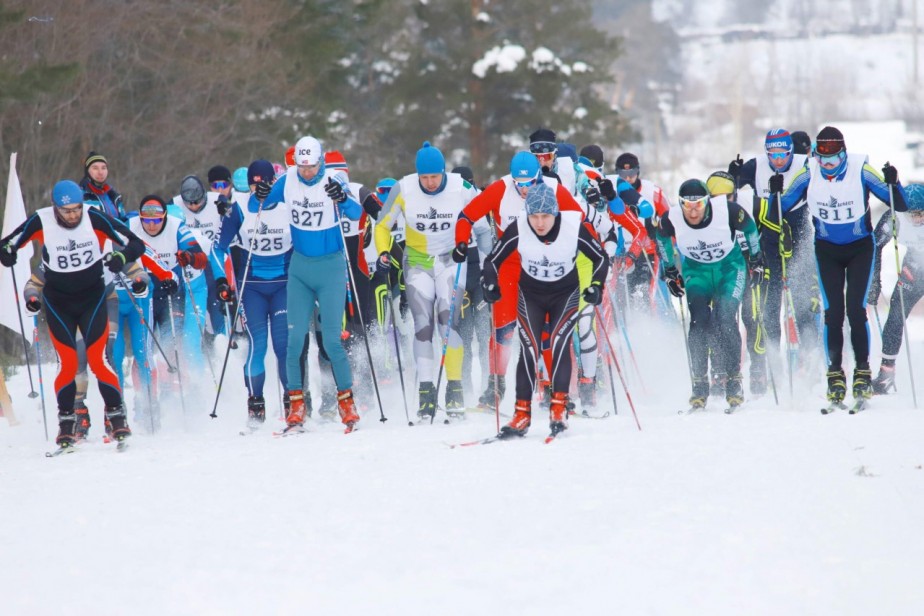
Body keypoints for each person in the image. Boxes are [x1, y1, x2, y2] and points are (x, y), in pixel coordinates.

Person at [0, 180, 146, 448]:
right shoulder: (40, 220)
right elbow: (8, 243)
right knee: (67, 365)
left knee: (98, 360)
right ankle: (67, 423)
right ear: (55, 207)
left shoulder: (95, 217)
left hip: (93, 299)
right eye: (66, 211)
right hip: (59, 304)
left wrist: (122, 259)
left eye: (76, 209)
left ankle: (117, 417)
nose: (73, 215)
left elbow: (136, 243)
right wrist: (7, 253)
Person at [770, 126, 908, 404]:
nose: (828, 166)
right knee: (832, 313)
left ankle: (861, 372)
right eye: (823, 160)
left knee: (856, 312)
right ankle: (834, 375)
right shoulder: (809, 171)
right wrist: (775, 195)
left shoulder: (861, 169)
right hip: (827, 251)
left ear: (844, 154)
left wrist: (894, 184)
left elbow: (900, 205)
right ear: (816, 157)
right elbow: (778, 210)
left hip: (860, 249)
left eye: (834, 160)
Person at [455, 151, 585, 411]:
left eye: (529, 183)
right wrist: (460, 241)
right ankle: (495, 386)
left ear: (538, 175)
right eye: (519, 184)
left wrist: (584, 249)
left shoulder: (552, 188)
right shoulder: (500, 189)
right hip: (511, 265)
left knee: (548, 329)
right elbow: (466, 216)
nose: (524, 190)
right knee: (504, 328)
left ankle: (554, 390)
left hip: (543, 263)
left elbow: (578, 219)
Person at [481, 182, 609, 437]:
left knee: (560, 345)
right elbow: (492, 260)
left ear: (556, 213)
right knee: (529, 349)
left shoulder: (574, 227)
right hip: (531, 295)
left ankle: (559, 407)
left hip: (566, 293)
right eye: (534, 216)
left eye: (545, 216)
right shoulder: (519, 227)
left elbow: (601, 258)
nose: (539, 223)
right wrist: (490, 283)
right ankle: (521, 414)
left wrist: (596, 285)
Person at [375, 141, 486, 421]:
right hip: (418, 263)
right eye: (424, 177)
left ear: (443, 171)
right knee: (423, 326)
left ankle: (455, 389)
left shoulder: (461, 188)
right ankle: (426, 391)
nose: (429, 183)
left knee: (448, 322)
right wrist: (384, 252)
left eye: (434, 176)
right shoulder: (405, 188)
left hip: (450, 262)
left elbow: (484, 229)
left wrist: (487, 266)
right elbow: (382, 225)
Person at [259, 135, 363, 432]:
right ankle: (296, 404)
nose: (306, 171)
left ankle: (346, 402)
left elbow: (356, 213)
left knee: (331, 341)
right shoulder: (289, 179)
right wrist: (263, 192)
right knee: (293, 343)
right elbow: (262, 203)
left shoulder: (332, 179)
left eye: (311, 166)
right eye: (302, 166)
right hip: (300, 269)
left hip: (330, 268)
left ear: (320, 161)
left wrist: (342, 198)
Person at [656, 179, 763, 410]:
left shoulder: (728, 211)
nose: (693, 211)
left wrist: (756, 259)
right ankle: (699, 383)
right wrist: (670, 271)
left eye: (699, 204)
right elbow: (661, 238)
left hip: (730, 270)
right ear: (681, 203)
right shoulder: (671, 218)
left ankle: (734, 379)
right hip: (698, 272)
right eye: (687, 205)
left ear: (708, 201)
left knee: (725, 318)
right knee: (698, 322)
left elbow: (751, 229)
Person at [728, 129, 816, 390]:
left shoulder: (804, 165)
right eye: (773, 155)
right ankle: (770, 366)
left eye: (783, 154)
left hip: (799, 236)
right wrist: (733, 175)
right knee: (769, 305)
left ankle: (809, 361)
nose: (778, 160)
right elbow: (730, 193)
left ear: (791, 152)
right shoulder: (756, 165)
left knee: (802, 303)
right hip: (767, 240)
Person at [212, 160, 292, 427]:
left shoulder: (287, 205)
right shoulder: (239, 209)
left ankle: (294, 401)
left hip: (283, 286)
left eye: (266, 183)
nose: (260, 188)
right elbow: (217, 248)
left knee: (284, 347)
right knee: (258, 346)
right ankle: (255, 404)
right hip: (253, 289)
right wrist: (222, 280)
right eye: (255, 183)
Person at [129, 195, 204, 408]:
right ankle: (143, 397)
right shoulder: (131, 225)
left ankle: (173, 393)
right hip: (144, 294)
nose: (151, 225)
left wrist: (188, 257)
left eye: (157, 220)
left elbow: (200, 259)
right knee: (142, 348)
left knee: (172, 343)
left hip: (170, 293)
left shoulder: (177, 226)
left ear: (164, 217)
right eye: (147, 220)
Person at [868, 183, 924, 394]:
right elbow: (874, 245)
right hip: (914, 269)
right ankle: (886, 374)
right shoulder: (895, 217)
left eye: (921, 214)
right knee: (895, 312)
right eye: (913, 215)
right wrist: (874, 282)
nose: (917, 219)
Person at [79, 151, 127, 221]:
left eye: (103, 168)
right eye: (95, 168)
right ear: (87, 171)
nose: (100, 172)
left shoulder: (113, 196)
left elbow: (124, 221)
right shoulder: (80, 196)